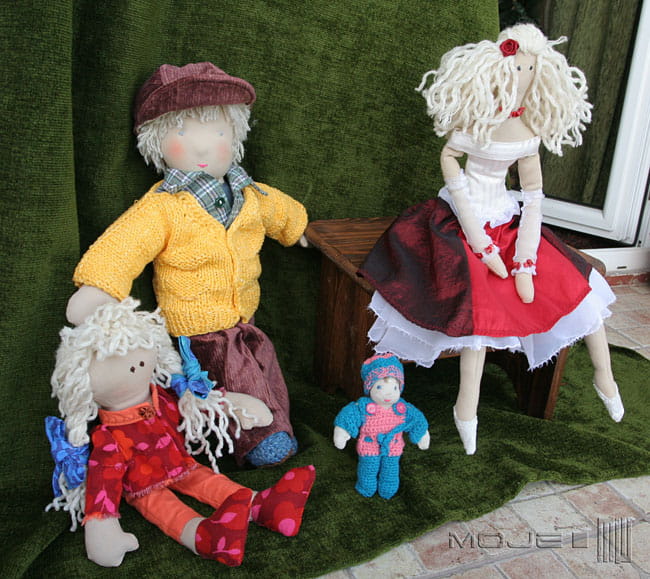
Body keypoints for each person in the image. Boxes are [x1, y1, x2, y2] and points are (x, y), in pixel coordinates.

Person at [358, 24, 623, 455]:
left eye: (530, 69)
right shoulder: (475, 123)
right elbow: (455, 174)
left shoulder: (529, 129)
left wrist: (525, 259)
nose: (522, 77)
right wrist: (482, 246)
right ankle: (466, 409)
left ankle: (604, 376)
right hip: (458, 222)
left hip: (506, 218)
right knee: (478, 308)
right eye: (517, 68)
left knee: (575, 286)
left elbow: (533, 196)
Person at [65, 62, 309, 467]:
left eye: (218, 133)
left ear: (235, 134)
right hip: (201, 334)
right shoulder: (163, 208)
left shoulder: (249, 194)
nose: (203, 148)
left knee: (265, 370)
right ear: (157, 141)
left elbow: (278, 210)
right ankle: (261, 442)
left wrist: (298, 227)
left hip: (246, 321)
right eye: (183, 134)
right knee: (229, 381)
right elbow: (125, 244)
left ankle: (276, 422)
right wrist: (99, 286)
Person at [46, 298, 315, 567]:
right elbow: (103, 479)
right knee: (167, 509)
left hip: (183, 464)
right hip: (143, 486)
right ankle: (204, 537)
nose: (134, 365)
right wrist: (102, 524)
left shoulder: (163, 398)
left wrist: (231, 406)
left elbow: (194, 405)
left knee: (209, 481)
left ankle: (264, 507)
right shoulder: (107, 437)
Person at [333, 354, 429, 499]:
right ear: (370, 387)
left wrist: (422, 434)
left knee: (391, 469)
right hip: (369, 445)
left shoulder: (403, 409)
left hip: (393, 447)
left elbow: (416, 420)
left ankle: (388, 489)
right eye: (379, 387)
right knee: (368, 468)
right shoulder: (363, 407)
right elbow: (349, 416)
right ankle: (366, 487)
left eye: (394, 387)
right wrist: (342, 431)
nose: (388, 393)